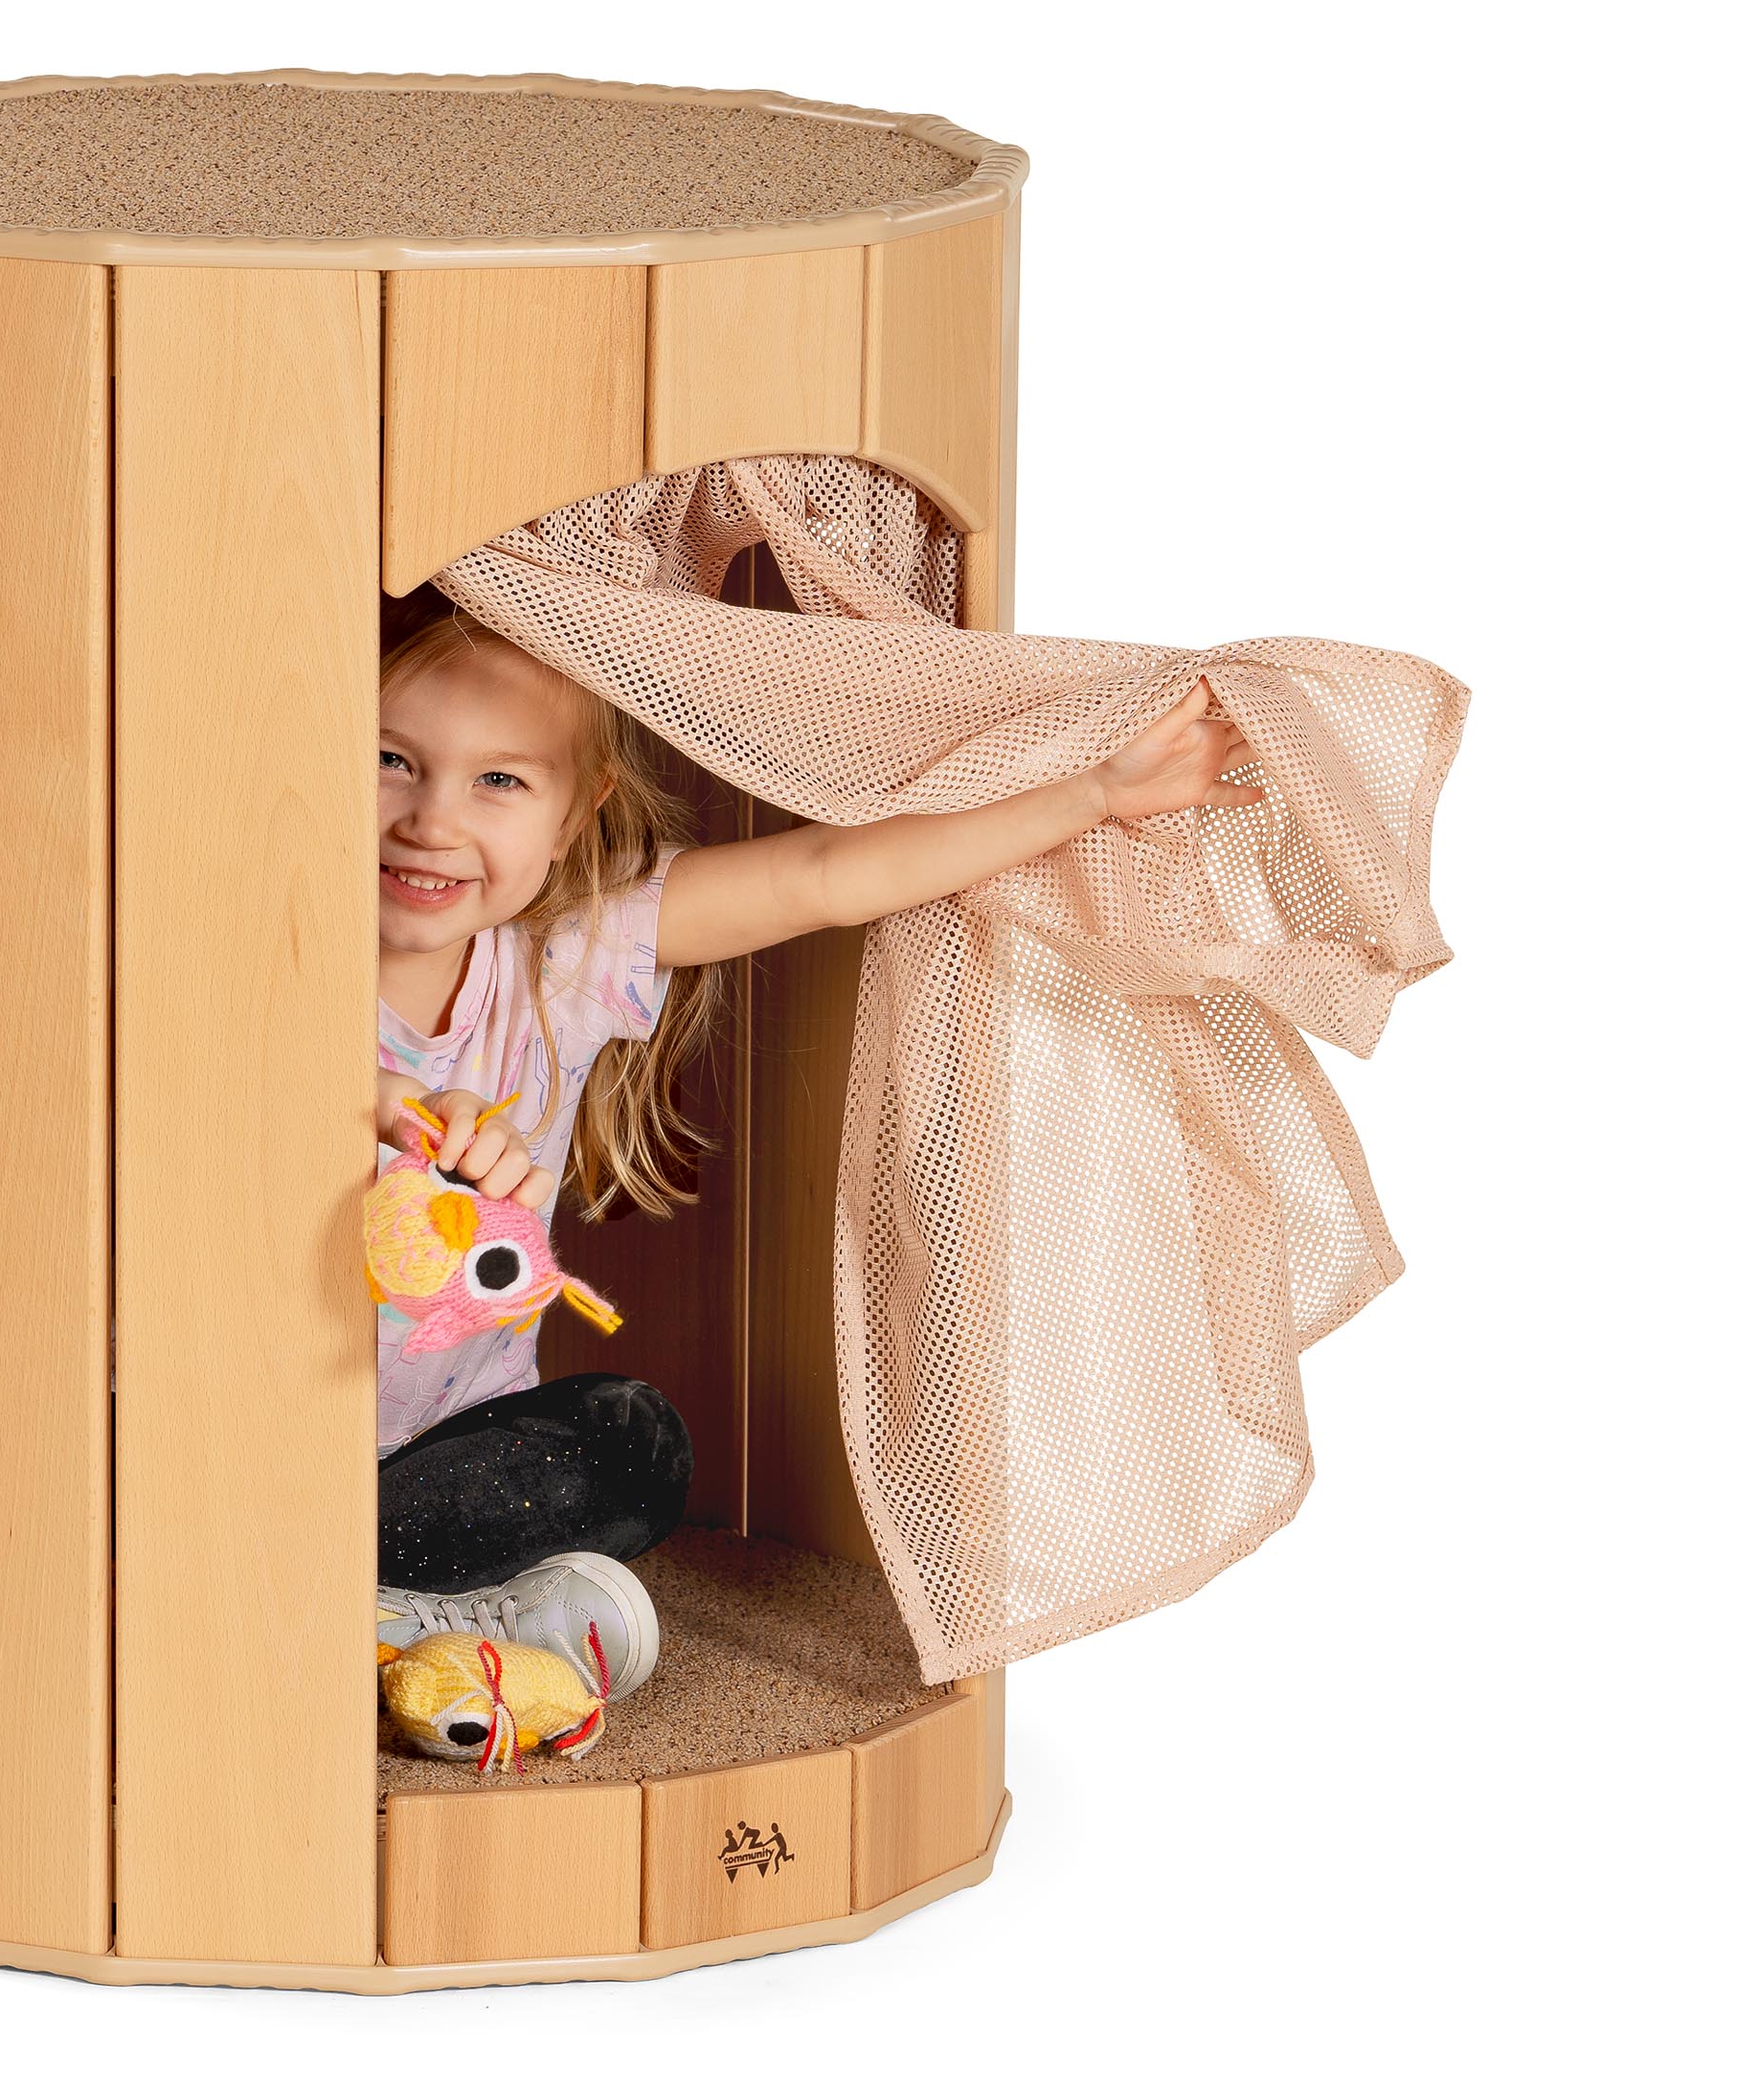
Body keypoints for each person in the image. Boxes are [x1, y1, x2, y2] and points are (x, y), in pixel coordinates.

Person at [371, 601, 1261, 1696]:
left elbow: (826, 876)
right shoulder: (257, 953)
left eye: (499, 780)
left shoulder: (563, 954)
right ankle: (395, 1610)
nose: (431, 820)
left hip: (443, 1466)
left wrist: (1096, 792)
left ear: (574, 815)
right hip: (252, 1446)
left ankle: (381, 1604)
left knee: (630, 1441)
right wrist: (371, 1103)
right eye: (389, 761)